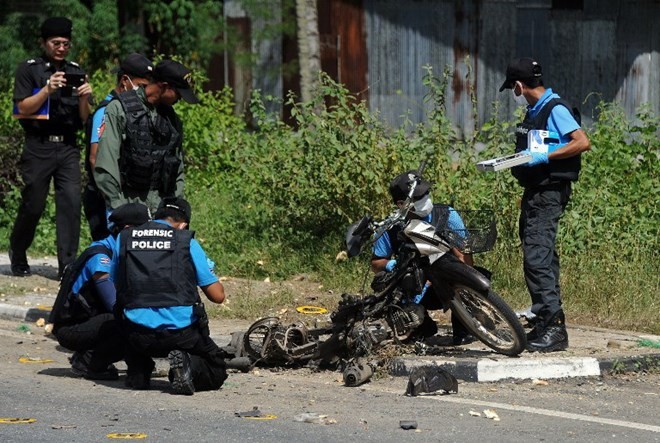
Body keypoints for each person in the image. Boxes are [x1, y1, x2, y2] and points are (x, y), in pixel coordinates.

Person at [499, 57, 591, 352]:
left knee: (537, 257)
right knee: (541, 254)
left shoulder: (555, 108)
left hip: (549, 192)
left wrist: (546, 156)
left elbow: (581, 141)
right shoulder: (535, 110)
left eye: (512, 88)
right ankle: (545, 317)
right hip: (536, 191)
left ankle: (553, 327)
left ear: (518, 86)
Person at [111, 197, 228, 395]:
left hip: (137, 334)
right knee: (216, 368)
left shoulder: (124, 238)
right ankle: (186, 368)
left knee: (124, 311)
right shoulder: (186, 241)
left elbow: (115, 281)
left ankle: (138, 371)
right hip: (180, 334)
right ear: (183, 225)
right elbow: (217, 296)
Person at [9, 17, 93, 278]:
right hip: (38, 147)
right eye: (56, 43)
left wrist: (85, 98)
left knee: (70, 203)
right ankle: (18, 250)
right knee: (33, 204)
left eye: (66, 44)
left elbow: (83, 118)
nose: (61, 48)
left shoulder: (75, 70)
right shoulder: (29, 69)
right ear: (44, 43)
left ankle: (67, 265)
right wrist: (47, 89)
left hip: (67, 147)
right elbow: (22, 108)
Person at [48, 203, 150, 380]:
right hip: (71, 327)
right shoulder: (101, 257)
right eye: (144, 230)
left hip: (91, 321)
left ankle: (91, 354)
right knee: (125, 320)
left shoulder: (119, 251)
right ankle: (89, 363)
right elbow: (113, 303)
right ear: (128, 229)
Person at [371, 171, 474, 344]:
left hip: (448, 280)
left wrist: (466, 279)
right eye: (419, 197)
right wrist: (393, 265)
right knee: (389, 289)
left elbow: (464, 253)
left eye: (426, 193)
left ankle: (464, 328)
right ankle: (422, 326)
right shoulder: (391, 228)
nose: (426, 199)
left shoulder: (446, 214)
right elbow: (376, 263)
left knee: (472, 277)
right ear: (402, 204)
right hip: (416, 287)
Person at [93, 59, 200, 216]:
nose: (180, 99)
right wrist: (120, 210)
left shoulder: (172, 120)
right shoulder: (118, 109)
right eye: (178, 93)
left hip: (161, 211)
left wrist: (172, 211)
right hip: (126, 207)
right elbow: (106, 165)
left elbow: (177, 169)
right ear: (165, 87)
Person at [83, 54, 154, 241]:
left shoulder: (128, 110)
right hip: (104, 199)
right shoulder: (107, 110)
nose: (144, 92)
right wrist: (113, 202)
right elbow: (95, 157)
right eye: (142, 86)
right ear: (125, 81)